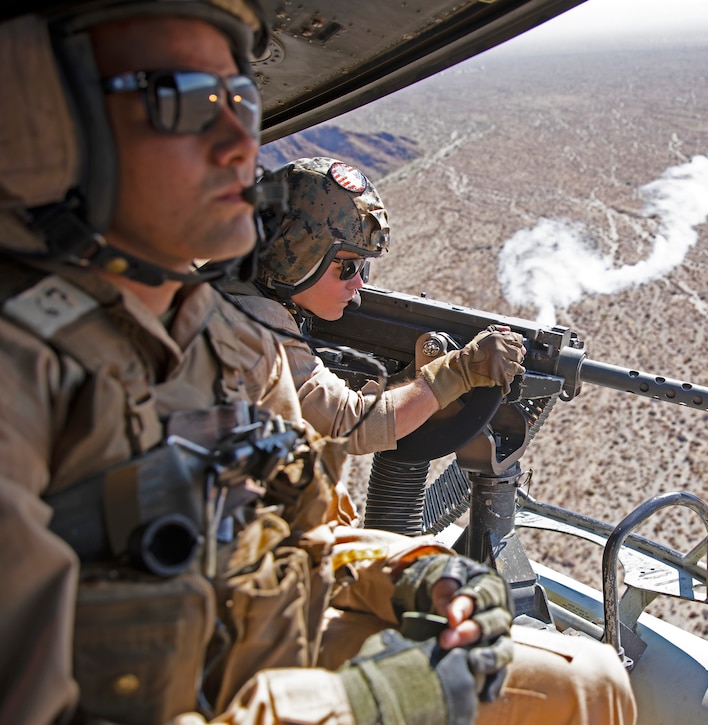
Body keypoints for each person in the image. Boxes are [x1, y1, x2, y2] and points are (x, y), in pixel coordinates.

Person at [0, 2, 637, 725]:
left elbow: (291, 532)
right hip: (232, 689)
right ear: (46, 128)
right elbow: (353, 422)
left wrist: (410, 573)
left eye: (241, 98)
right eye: (179, 98)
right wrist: (364, 705)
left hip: (257, 634)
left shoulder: (222, 337)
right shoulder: (25, 373)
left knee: (590, 681)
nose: (240, 137)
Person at [224, 156, 525, 480]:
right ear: (293, 255)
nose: (358, 285)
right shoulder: (254, 323)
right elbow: (348, 423)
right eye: (348, 267)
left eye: (364, 266)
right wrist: (458, 372)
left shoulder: (223, 288)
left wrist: (406, 384)